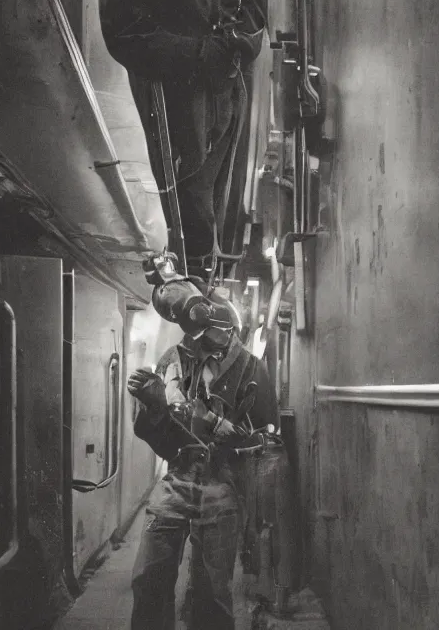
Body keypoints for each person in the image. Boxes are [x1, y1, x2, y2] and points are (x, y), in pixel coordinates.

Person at [102, 0, 278, 274]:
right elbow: (126, 31)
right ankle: (191, 290)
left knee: (216, 194)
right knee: (185, 200)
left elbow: (255, 8)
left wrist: (231, 49)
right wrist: (200, 55)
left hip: (226, 89)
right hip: (173, 92)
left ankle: (207, 285)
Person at [127, 251, 279, 630]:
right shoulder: (172, 360)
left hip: (222, 487)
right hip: (177, 482)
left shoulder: (251, 368)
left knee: (211, 594)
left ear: (225, 328)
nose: (194, 340)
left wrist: (235, 442)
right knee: (149, 579)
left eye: (204, 333)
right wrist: (153, 407)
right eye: (192, 334)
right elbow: (155, 438)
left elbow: (268, 440)